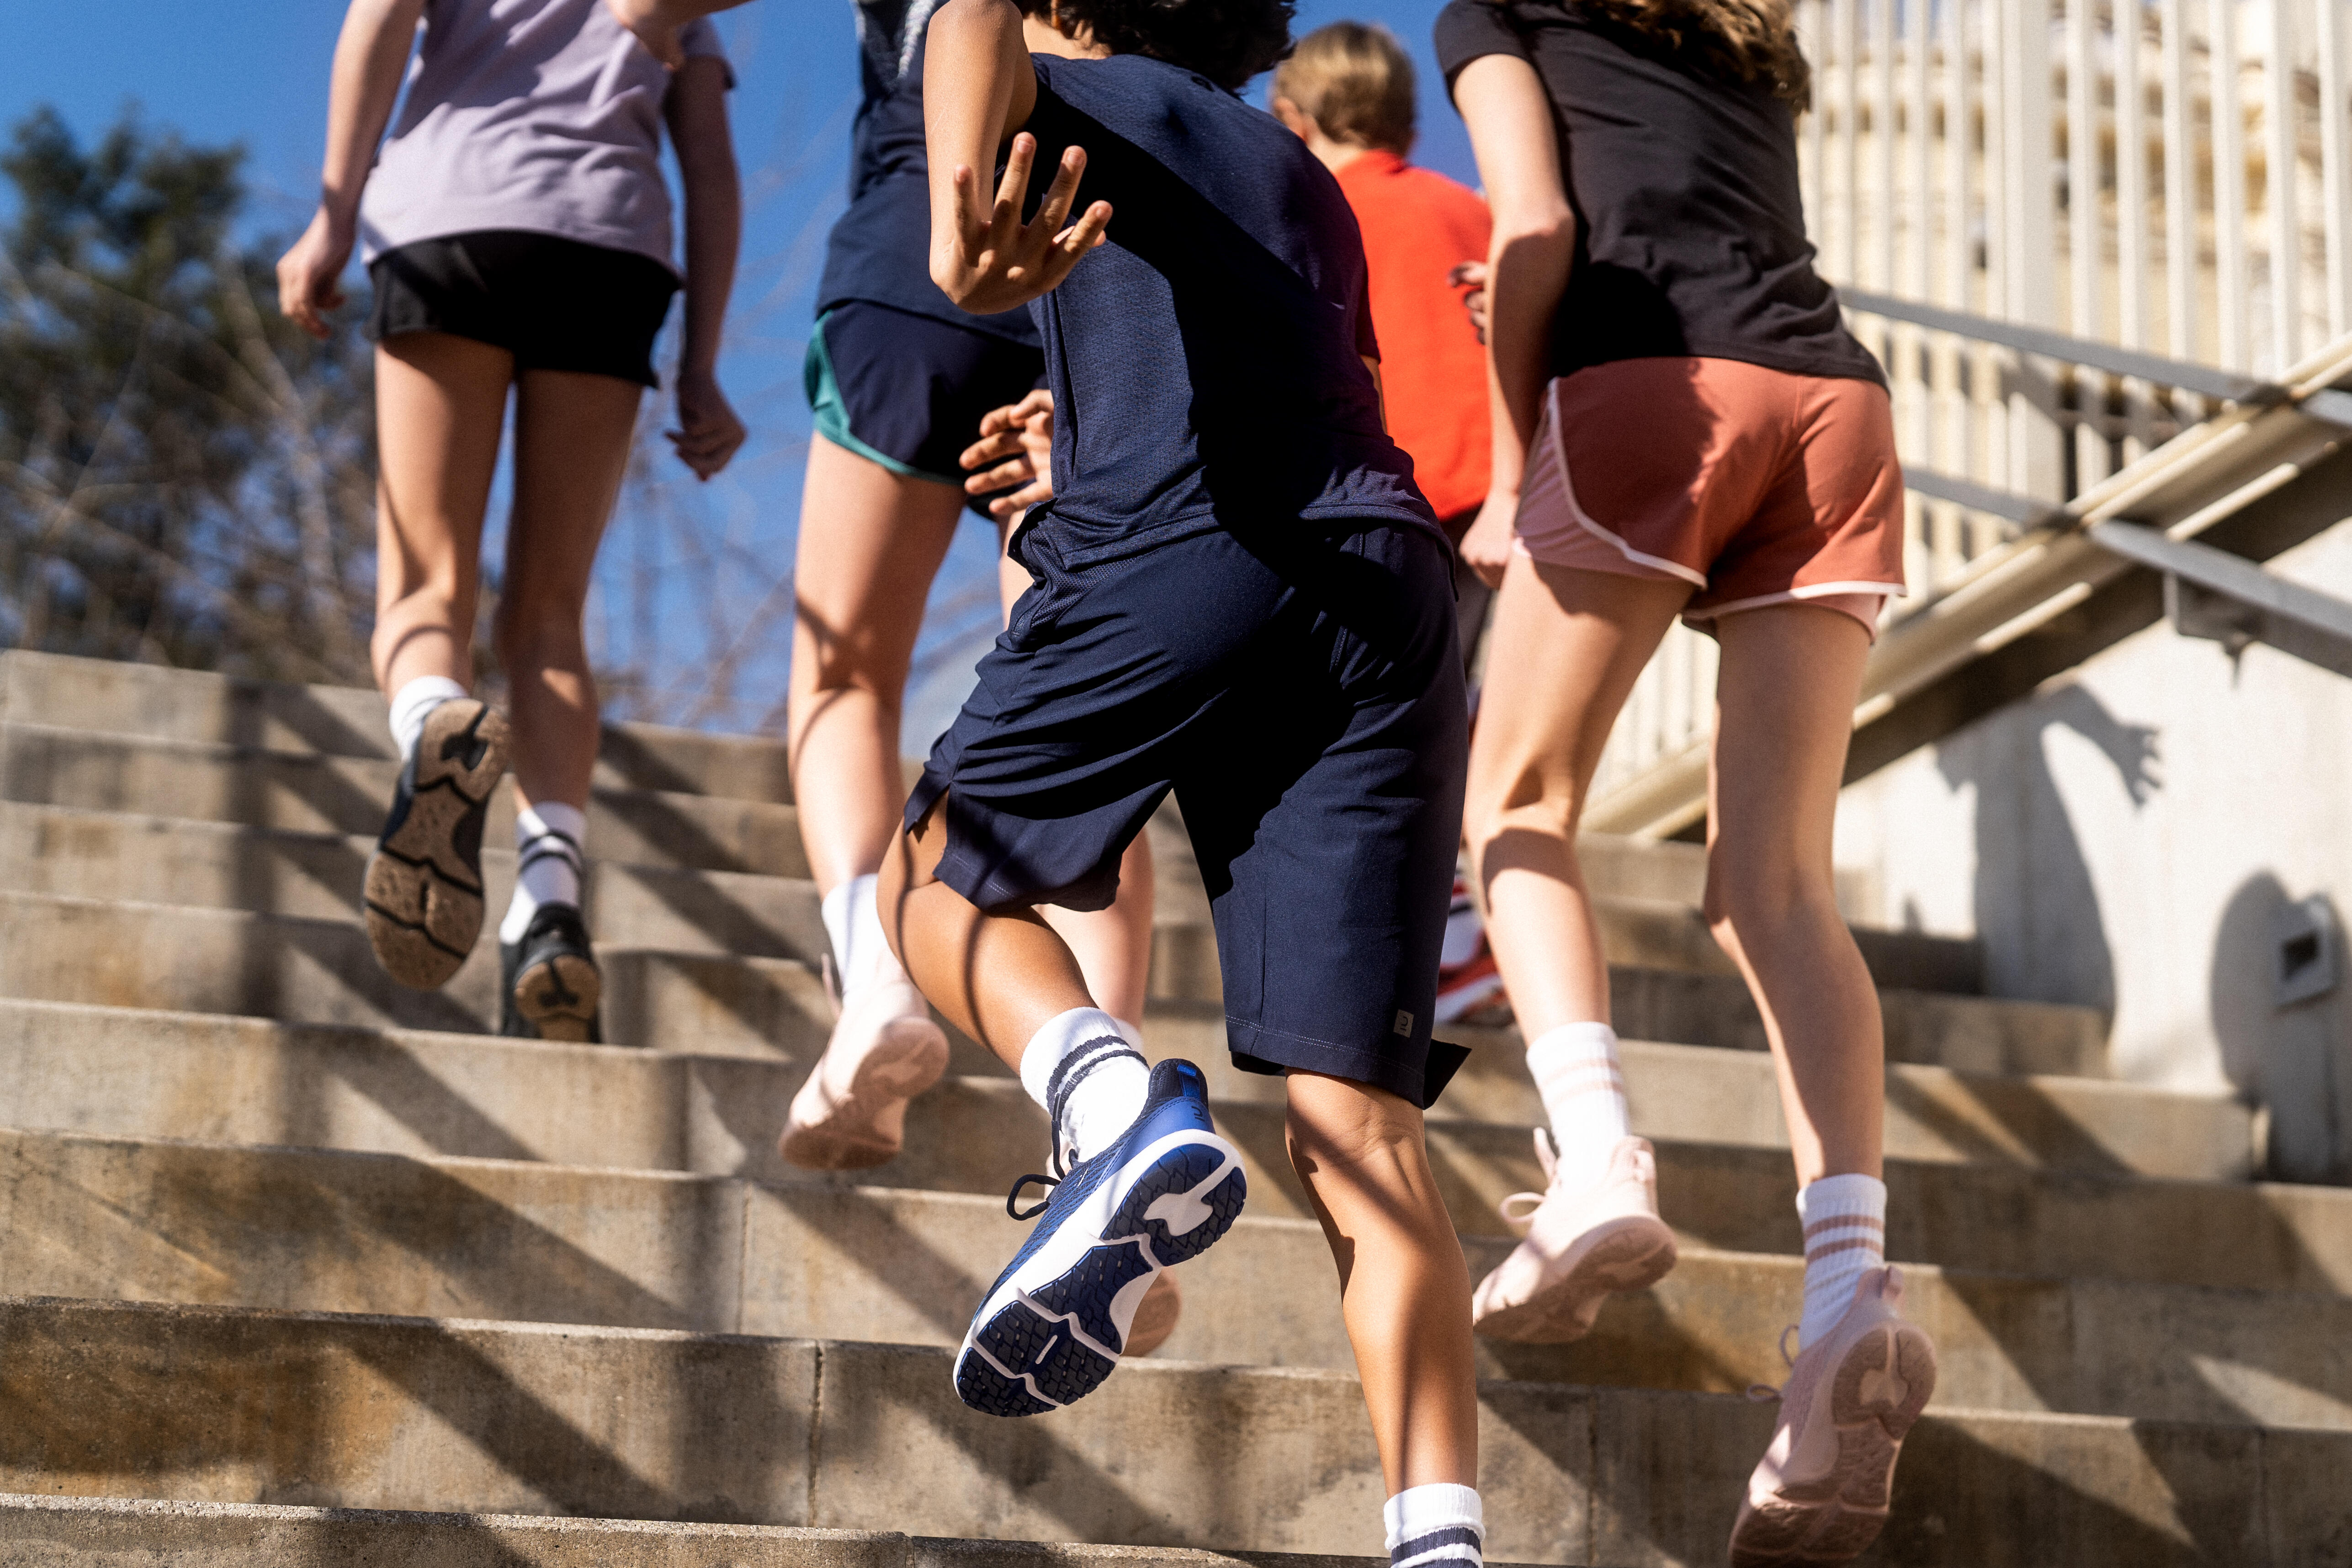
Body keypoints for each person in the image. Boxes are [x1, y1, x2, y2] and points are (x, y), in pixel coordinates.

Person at [884, 4, 1487, 1566]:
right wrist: (1064, 434)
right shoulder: (1293, 166)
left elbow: (961, 31)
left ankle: (1109, 1110)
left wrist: (960, 235)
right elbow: (1244, 359)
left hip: (1194, 551)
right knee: (1360, 1130)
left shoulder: (1080, 89)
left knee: (934, 872)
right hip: (1383, 584)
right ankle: (1439, 1540)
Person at [1436, 0, 1936, 1561]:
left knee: (1512, 804)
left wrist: (1521, 450)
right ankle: (1847, 1289)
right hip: (1834, 408)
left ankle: (1593, 1161)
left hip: (1650, 385)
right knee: (1774, 884)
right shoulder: (1744, 33)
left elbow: (1533, 222)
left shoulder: (1498, 8)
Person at [277, 0, 743, 1042]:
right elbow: (708, 159)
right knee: (550, 614)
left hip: (451, 216)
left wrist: (333, 213)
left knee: (424, 583)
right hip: (609, 243)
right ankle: (550, 901)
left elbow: (382, 21)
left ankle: (433, 719)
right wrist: (703, 362)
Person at [768, 0, 1156, 1177]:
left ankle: (877, 978)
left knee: (845, 674)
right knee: (1083, 717)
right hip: (1082, 302)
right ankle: (1113, 1093)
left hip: (910, 273)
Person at [1269, 21, 1493, 669]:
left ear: (1292, 120)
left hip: (1394, 507)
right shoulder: (1470, 209)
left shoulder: (1310, 219)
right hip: (1504, 491)